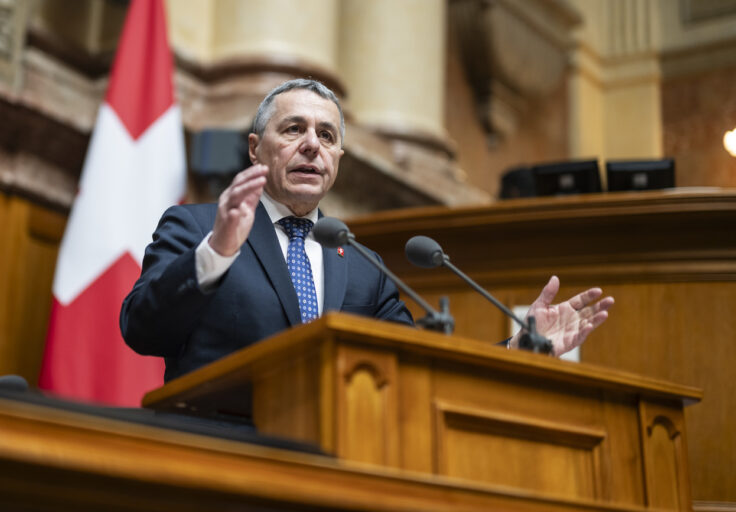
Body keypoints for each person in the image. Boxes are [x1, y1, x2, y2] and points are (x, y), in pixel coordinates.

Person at [120, 79, 613, 384]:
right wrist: (217, 252)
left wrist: (521, 349)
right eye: (293, 130)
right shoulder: (197, 226)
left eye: (327, 136)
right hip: (217, 462)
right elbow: (142, 329)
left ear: (337, 160)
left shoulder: (360, 265)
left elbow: (416, 364)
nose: (311, 144)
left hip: (334, 458)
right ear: (255, 148)